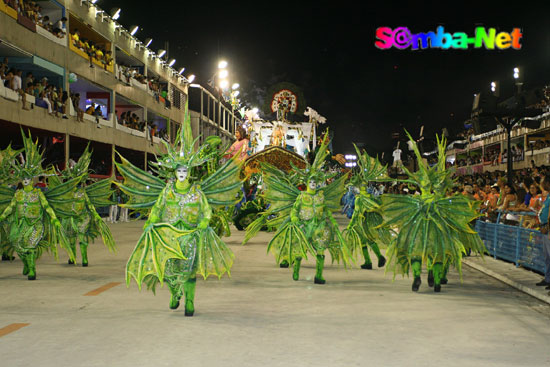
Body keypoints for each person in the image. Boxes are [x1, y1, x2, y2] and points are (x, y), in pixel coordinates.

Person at [117, 122, 243, 315]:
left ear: (189, 173)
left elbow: (206, 211)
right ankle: (175, 293)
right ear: (174, 172)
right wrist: (151, 221)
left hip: (191, 236)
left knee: (190, 271)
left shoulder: (196, 192)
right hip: (169, 237)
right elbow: (158, 208)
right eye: (179, 171)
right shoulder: (167, 192)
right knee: (170, 271)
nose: (182, 174)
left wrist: (203, 221)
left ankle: (190, 302)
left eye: (185, 171)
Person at [0, 129, 75, 280]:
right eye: (24, 178)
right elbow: (11, 207)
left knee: (31, 247)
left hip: (35, 224)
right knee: (17, 245)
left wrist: (53, 219)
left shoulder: (38, 193)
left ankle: (32, 269)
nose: (26, 180)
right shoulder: (18, 194)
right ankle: (26, 263)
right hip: (20, 224)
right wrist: (2, 216)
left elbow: (46, 206)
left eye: (29, 177)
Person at [535, 175, 550, 290]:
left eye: (543, 182)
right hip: (545, 228)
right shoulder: (548, 196)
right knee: (547, 256)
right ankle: (548, 278)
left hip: (548, 229)